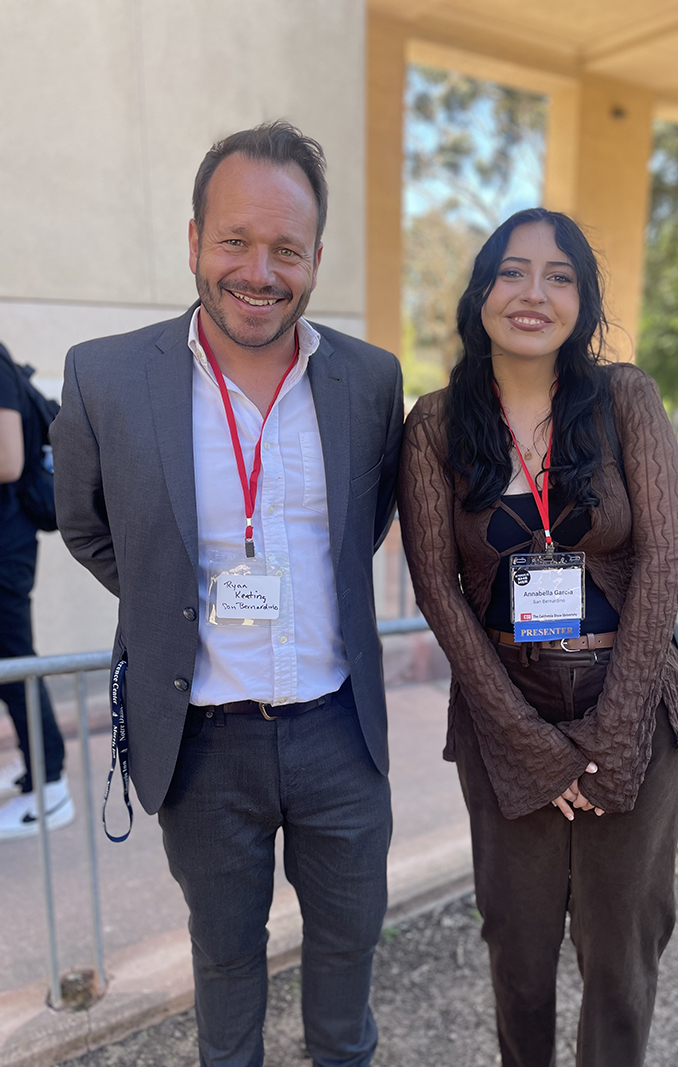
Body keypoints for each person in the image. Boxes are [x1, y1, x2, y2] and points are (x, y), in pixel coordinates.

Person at [51, 122, 403, 1067]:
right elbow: (84, 525)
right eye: (236, 241)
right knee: (226, 967)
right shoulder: (107, 376)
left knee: (345, 962)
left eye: (287, 249)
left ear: (316, 258)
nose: (260, 271)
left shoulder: (371, 380)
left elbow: (357, 530)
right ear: (194, 238)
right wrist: (177, 602)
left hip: (340, 731)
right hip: (202, 740)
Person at [398, 208, 678, 1067]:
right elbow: (437, 588)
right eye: (513, 271)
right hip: (505, 721)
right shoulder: (438, 423)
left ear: (584, 300)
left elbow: (664, 560)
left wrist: (610, 738)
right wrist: (531, 745)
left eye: (559, 275)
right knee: (519, 958)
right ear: (481, 291)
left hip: (632, 715)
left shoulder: (626, 398)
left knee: (621, 963)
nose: (534, 292)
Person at [0, 343, 72, 841]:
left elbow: (8, 461)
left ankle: (50, 788)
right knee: (9, 667)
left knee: (15, 662)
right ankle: (37, 771)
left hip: (6, 544)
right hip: (9, 540)